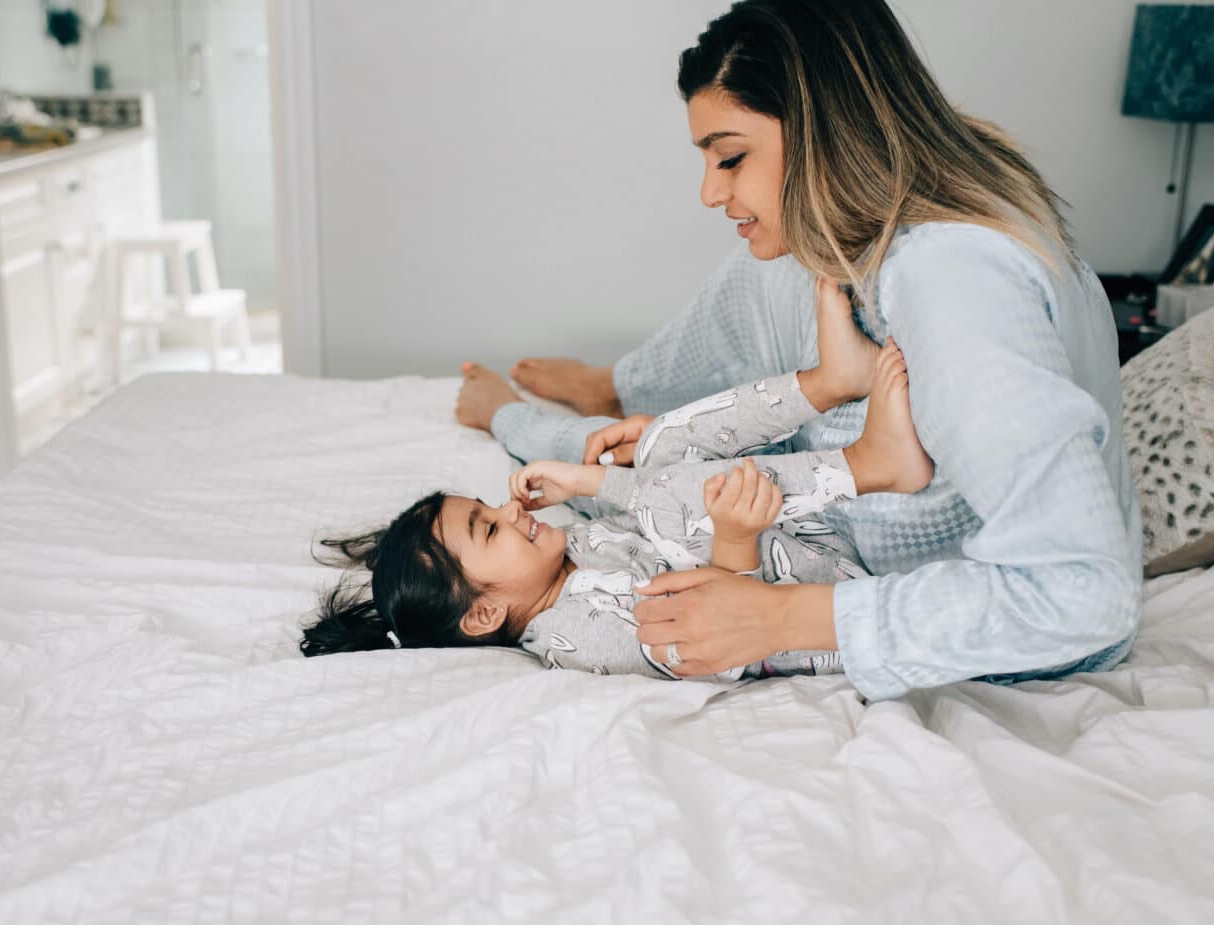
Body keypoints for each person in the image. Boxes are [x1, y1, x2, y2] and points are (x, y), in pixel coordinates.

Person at [461, 0, 1143, 700]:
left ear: (825, 131)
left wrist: (779, 615)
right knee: (650, 441)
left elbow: (1085, 592)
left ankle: (531, 412)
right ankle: (617, 389)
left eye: (731, 157)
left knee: (629, 461)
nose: (708, 191)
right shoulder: (853, 244)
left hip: (886, 564)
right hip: (839, 502)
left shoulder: (955, 286)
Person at [304, 297, 934, 681]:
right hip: (807, 601)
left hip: (791, 543)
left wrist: (584, 479)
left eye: (487, 507)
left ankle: (826, 383)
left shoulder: (563, 554)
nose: (507, 509)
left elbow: (652, 501)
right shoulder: (575, 635)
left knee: (656, 450)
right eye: (489, 527)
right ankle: (869, 464)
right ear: (486, 613)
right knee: (662, 490)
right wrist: (735, 541)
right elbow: (709, 647)